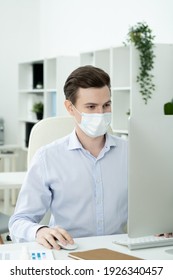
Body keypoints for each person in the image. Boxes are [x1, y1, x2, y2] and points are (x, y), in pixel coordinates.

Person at [9, 65, 128, 250]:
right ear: (70, 108)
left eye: (106, 105)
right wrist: (39, 231)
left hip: (119, 252)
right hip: (69, 252)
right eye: (91, 107)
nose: (101, 114)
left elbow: (154, 205)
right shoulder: (47, 158)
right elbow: (18, 221)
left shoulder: (130, 153)